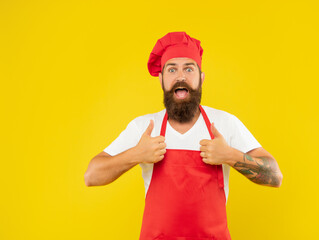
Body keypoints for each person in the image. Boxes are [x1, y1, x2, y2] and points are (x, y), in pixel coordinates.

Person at [84, 32, 283, 240]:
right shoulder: (144, 128)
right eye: (172, 69)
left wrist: (230, 155)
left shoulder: (225, 123)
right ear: (161, 79)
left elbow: (275, 176)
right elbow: (91, 176)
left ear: (201, 78)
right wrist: (136, 154)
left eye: (189, 68)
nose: (181, 77)